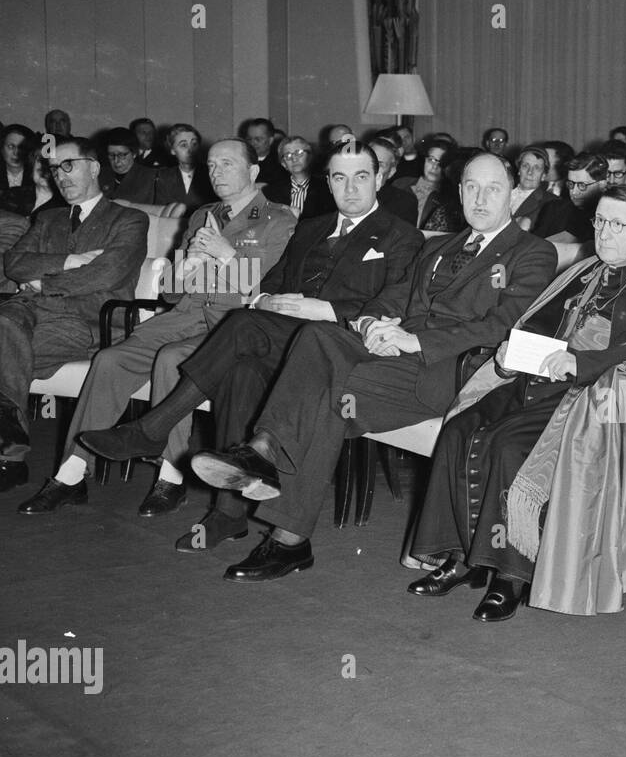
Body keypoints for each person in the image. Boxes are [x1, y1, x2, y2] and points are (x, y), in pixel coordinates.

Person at [182, 153, 556, 580]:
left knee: (320, 366)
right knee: (322, 359)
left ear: (513, 194)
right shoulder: (437, 246)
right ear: (459, 191)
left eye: (493, 188)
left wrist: (414, 340)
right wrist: (370, 322)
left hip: (447, 373)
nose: (481, 198)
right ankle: (284, 523)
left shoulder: (533, 253)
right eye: (472, 187)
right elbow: (393, 296)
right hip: (389, 360)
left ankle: (271, 469)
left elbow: (503, 325)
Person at [76, 144, 423, 540]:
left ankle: (153, 427)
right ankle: (229, 513)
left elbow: (395, 303)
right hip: (284, 334)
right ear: (327, 182)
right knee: (240, 367)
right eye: (339, 178)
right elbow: (269, 284)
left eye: (361, 176)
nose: (350, 188)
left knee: (241, 327)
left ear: (379, 179)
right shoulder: (311, 227)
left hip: (342, 343)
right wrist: (266, 299)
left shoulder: (403, 236)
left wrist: (323, 309)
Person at [406, 184, 626, 621]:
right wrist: (512, 350)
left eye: (618, 224)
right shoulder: (583, 270)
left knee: (507, 446)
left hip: (594, 394)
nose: (604, 232)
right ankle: (461, 559)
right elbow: (538, 321)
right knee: (460, 429)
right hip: (538, 380)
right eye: (599, 221)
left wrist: (582, 362)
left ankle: (509, 575)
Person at [16, 139, 295, 514]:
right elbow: (169, 293)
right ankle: (72, 473)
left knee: (170, 359)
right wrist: (187, 266)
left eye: (227, 164)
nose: (216, 173)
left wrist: (223, 252)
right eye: (211, 166)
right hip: (183, 318)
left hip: (232, 326)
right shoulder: (202, 216)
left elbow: (263, 286)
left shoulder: (279, 219)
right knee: (112, 360)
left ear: (253, 172)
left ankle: (171, 475)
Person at [0, 138, 148, 493]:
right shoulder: (47, 218)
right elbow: (13, 262)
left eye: (69, 165)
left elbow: (106, 274)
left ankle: (11, 455)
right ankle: (10, 452)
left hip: (86, 322)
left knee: (4, 331)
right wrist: (67, 261)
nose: (60, 176)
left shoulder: (129, 219)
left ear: (94, 168)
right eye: (54, 169)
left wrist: (40, 283)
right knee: (6, 327)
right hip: (25, 314)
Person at [262, 136, 332, 219]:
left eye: (299, 153)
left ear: (310, 157)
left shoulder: (327, 189)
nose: (294, 159)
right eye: (288, 155)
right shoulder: (270, 193)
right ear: (283, 164)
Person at [153, 124, 214, 211]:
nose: (191, 150)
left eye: (194, 144)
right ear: (172, 150)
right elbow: (160, 210)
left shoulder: (210, 173)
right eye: (183, 145)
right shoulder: (164, 176)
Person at [99, 127, 156, 205]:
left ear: (134, 153)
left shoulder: (150, 177)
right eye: (111, 155)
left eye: (122, 155)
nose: (116, 160)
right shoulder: (100, 175)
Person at [509, 145, 556, 233]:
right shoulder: (502, 193)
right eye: (525, 166)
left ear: (544, 175)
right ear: (519, 170)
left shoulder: (551, 203)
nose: (530, 172)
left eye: (537, 168)